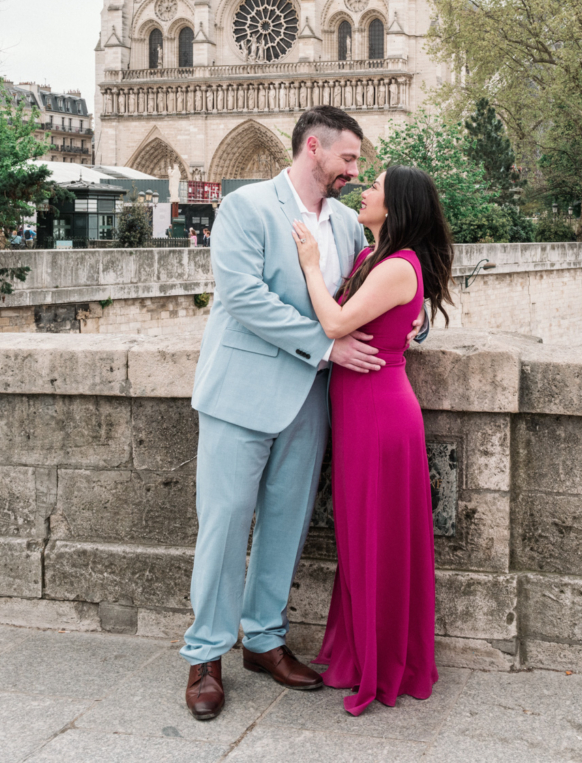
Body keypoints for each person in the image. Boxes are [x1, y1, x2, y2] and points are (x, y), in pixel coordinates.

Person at [181, 106, 420, 722]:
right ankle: (206, 655)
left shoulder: (346, 225)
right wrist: (324, 345)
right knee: (225, 522)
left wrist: (407, 322)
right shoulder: (246, 207)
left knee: (285, 524)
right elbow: (242, 297)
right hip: (241, 393)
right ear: (313, 148)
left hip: (309, 403)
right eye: (348, 159)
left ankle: (263, 640)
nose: (354, 170)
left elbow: (364, 293)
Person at [292, 165, 453, 715]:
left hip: (381, 415)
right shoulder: (370, 257)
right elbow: (394, 315)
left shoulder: (397, 267)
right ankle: (363, 651)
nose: (365, 191)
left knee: (376, 537)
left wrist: (311, 265)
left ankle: (381, 663)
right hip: (358, 409)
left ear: (398, 204)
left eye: (376, 187)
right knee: (360, 535)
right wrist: (421, 324)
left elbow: (336, 324)